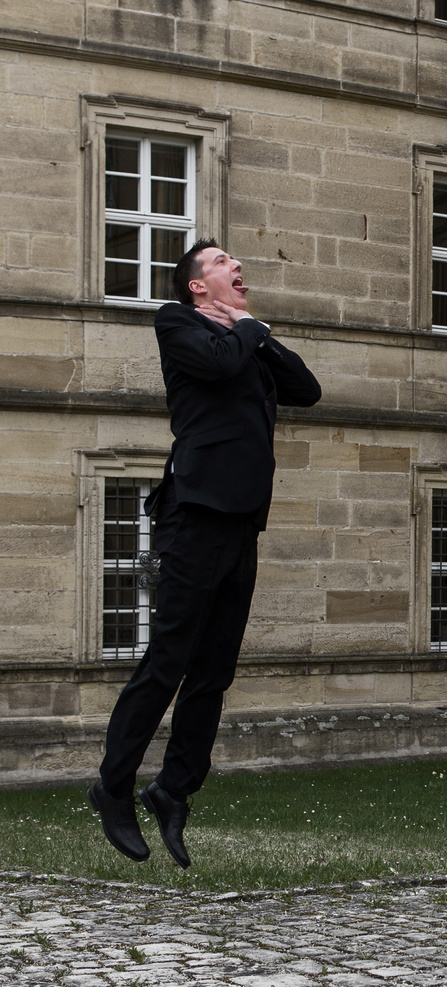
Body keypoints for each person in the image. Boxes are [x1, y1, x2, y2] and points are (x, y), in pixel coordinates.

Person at [87, 240, 322, 869]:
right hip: (193, 516)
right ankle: (111, 787)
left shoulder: (248, 338)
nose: (236, 267)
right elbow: (217, 368)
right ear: (196, 285)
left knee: (215, 668)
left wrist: (255, 331)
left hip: (241, 522)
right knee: (168, 661)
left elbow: (306, 388)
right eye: (222, 263)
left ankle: (172, 789)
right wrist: (245, 332)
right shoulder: (176, 323)